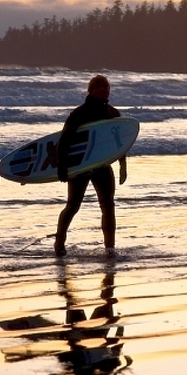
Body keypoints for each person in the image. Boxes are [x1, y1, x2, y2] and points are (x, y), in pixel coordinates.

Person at [54, 75, 127, 258]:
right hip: (81, 165)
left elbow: (120, 142)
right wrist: (62, 167)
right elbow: (64, 141)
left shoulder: (112, 113)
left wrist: (122, 165)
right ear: (91, 90)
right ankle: (59, 242)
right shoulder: (79, 114)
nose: (103, 90)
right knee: (73, 206)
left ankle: (110, 247)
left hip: (102, 165)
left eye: (105, 87)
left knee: (108, 205)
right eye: (98, 87)